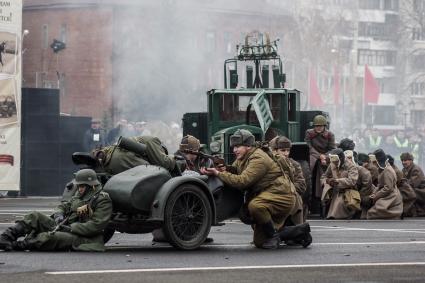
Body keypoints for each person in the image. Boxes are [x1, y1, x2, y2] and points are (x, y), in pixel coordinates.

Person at [201, 129, 311, 249]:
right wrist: (224, 169)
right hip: (268, 194)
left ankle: (273, 235)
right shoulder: (244, 157)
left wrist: (218, 174)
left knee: (255, 206)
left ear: (248, 146)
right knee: (260, 242)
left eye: (237, 146)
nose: (234, 150)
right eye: (234, 147)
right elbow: (236, 170)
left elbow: (243, 181)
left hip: (281, 195)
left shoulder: (258, 158)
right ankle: (300, 232)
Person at [0, 169, 112, 252]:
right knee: (34, 216)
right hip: (64, 225)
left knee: (49, 237)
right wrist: (59, 214)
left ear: (91, 186)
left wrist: (71, 228)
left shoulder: (102, 199)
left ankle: (16, 245)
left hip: (85, 237)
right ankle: (5, 238)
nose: (79, 189)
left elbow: (96, 225)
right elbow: (65, 206)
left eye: (82, 186)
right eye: (79, 186)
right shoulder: (80, 194)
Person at [93, 135, 179, 176]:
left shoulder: (140, 139)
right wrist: (173, 158)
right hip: (122, 158)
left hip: (108, 161)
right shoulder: (154, 140)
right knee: (153, 173)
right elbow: (163, 162)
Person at [270, 135, 307, 224]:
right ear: (274, 150)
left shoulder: (294, 164)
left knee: (297, 199)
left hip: (289, 197)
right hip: (271, 197)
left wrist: (285, 188)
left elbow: (302, 186)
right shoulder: (267, 164)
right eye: (283, 150)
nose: (286, 153)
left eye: (288, 150)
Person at [305, 115, 336, 214]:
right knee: (310, 167)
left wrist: (325, 157)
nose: (318, 128)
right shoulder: (309, 133)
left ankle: (323, 202)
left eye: (320, 126)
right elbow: (308, 147)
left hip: (326, 157)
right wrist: (319, 156)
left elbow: (332, 149)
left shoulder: (330, 135)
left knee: (325, 176)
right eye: (317, 126)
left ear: (324, 126)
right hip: (313, 155)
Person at [321, 148, 359, 219]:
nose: (333, 160)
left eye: (334, 158)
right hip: (335, 192)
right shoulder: (332, 164)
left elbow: (352, 181)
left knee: (337, 210)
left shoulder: (351, 166)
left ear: (340, 158)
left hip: (348, 192)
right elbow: (324, 176)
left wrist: (337, 181)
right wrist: (327, 181)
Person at [367, 149, 403, 220]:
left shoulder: (387, 170)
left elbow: (388, 188)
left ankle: (395, 215)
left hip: (391, 196)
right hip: (387, 193)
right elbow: (380, 185)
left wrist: (376, 196)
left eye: (375, 161)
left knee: (372, 213)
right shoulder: (382, 169)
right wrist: (374, 193)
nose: (374, 164)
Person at [356, 153, 375, 219]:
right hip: (366, 190)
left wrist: (359, 196)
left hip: (371, 191)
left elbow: (367, 185)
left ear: (366, 162)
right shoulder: (362, 169)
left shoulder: (371, 169)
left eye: (362, 163)